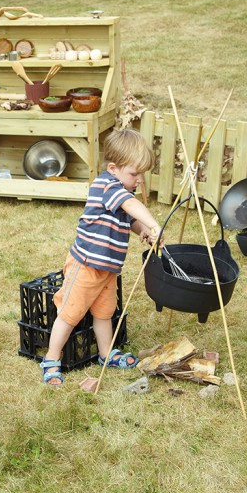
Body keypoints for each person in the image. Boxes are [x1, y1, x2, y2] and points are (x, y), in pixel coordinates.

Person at [40, 128, 162, 387]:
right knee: (70, 313)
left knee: (104, 313)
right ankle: (51, 358)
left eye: (141, 174)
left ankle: (106, 354)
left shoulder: (120, 189)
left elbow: (130, 219)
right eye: (134, 173)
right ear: (114, 168)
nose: (139, 180)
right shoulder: (106, 185)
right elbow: (131, 206)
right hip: (86, 265)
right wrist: (153, 224)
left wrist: (143, 231)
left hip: (107, 268)